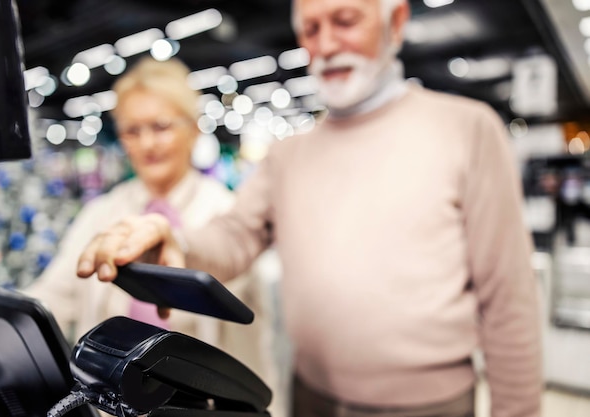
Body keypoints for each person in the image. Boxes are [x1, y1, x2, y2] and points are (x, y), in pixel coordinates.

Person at [75, 0, 542, 416]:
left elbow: (508, 296)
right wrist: (174, 239)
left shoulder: (467, 130)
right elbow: (235, 234)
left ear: (395, 21)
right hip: (310, 395)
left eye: (345, 21)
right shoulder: (289, 153)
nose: (327, 43)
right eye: (311, 28)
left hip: (427, 403)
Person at [17, 57, 280, 409]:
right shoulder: (100, 214)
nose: (147, 143)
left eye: (161, 126)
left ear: (192, 128)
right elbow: (54, 296)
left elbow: (248, 335)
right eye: (133, 130)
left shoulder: (227, 215)